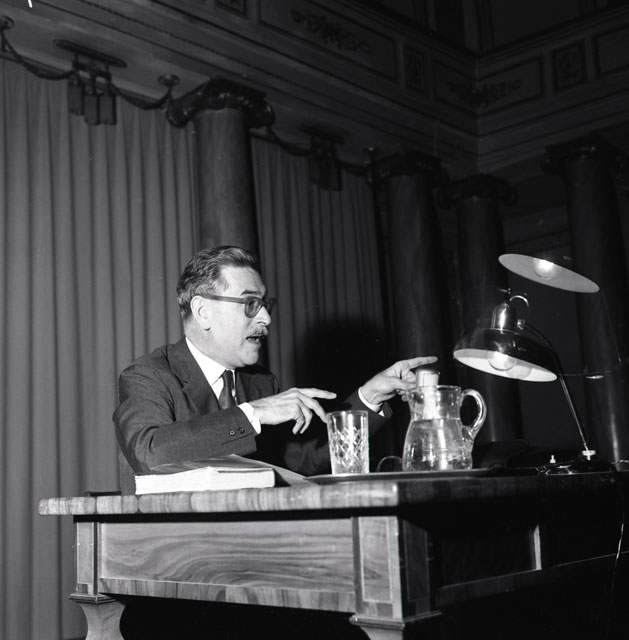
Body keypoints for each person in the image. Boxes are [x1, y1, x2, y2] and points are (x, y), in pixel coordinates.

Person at [114, 245, 436, 494]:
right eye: (250, 304)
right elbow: (149, 454)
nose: (266, 319)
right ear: (203, 312)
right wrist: (252, 414)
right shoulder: (148, 376)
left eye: (265, 304)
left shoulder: (261, 383)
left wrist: (369, 396)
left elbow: (304, 460)